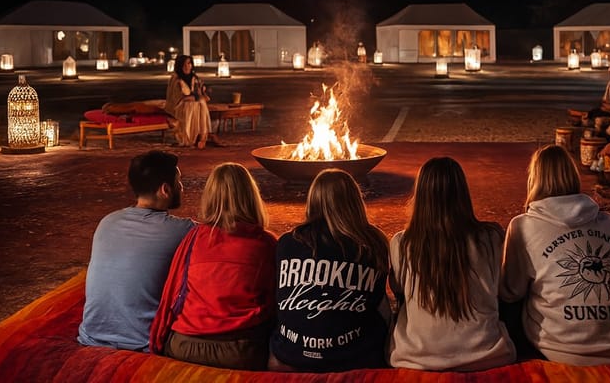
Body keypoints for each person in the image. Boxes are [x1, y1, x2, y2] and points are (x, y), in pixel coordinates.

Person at [500, 144, 610, 366]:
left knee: (510, 299)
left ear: (534, 180)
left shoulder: (523, 226)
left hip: (564, 349)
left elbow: (511, 291)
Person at [387, 156, 516, 371]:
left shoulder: (402, 243)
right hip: (487, 353)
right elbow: (501, 288)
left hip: (417, 357)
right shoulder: (491, 237)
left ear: (420, 196)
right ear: (462, 194)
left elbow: (399, 289)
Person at [150, 163, 278, 370]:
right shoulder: (266, 243)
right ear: (251, 196)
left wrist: (158, 339)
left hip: (185, 345)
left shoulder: (193, 237)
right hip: (239, 350)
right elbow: (276, 301)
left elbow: (172, 294)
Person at [269, 169, 391, 372]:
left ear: (313, 201)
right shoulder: (374, 241)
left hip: (291, 352)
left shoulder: (288, 242)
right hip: (354, 355)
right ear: (355, 201)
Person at [78, 151, 194, 351]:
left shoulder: (107, 221)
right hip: (144, 343)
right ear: (165, 190)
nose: (182, 187)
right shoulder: (183, 230)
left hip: (91, 336)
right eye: (179, 181)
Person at [165, 54, 213, 148]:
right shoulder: (176, 79)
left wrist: (202, 91)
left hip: (196, 103)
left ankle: (200, 136)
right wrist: (191, 98)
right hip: (182, 106)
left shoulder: (194, 77)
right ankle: (189, 138)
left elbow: (199, 92)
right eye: (185, 64)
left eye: (189, 63)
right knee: (191, 105)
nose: (188, 66)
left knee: (200, 103)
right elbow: (177, 97)